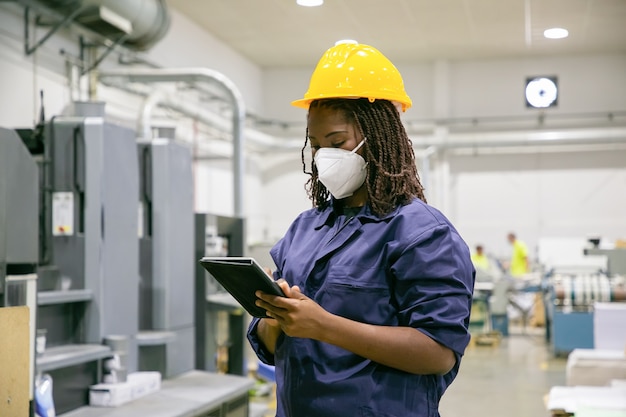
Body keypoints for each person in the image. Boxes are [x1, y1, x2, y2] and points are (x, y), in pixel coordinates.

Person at [247, 41, 475, 417]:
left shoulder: (422, 234)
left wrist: (324, 326)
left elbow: (438, 353)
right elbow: (270, 342)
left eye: (337, 143)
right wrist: (275, 320)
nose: (324, 157)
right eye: (317, 145)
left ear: (380, 137)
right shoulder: (305, 229)